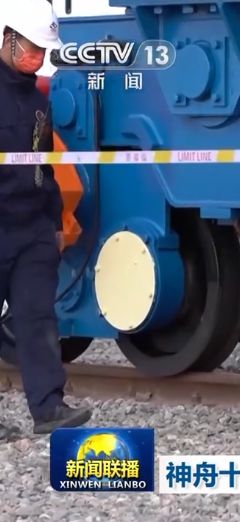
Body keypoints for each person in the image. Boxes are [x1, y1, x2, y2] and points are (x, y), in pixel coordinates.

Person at [0, 0, 92, 438]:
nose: (37, 57)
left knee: (37, 318)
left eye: (43, 50)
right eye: (32, 48)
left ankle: (49, 408)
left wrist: (55, 223)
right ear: (9, 39)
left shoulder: (39, 103)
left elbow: (45, 167)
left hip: (33, 228)